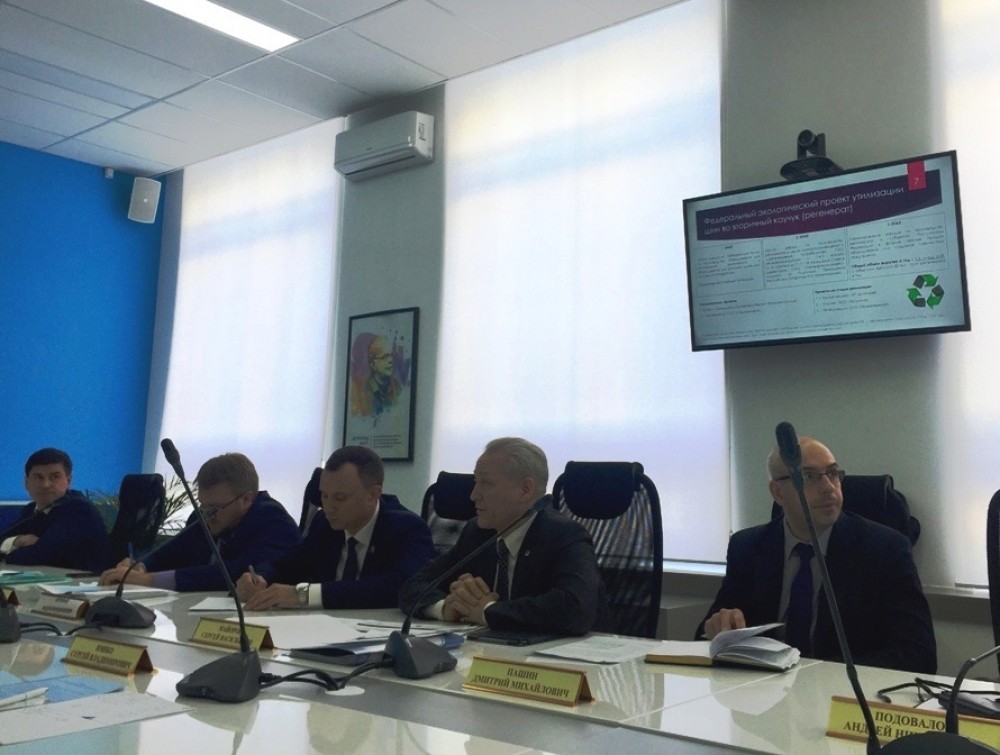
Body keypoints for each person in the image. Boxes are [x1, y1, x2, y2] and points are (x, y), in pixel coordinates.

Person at [697, 436, 937, 674]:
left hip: (841, 690)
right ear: (778, 493)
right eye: (809, 477)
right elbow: (705, 637)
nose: (828, 487)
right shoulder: (748, 547)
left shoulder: (885, 549)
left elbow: (919, 654)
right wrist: (718, 625)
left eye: (833, 473)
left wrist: (817, 675)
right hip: (762, 690)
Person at [398, 437, 602, 636]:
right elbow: (413, 586)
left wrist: (488, 611)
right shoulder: (477, 533)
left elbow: (575, 609)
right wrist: (446, 607)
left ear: (525, 489)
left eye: (486, 483)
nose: (473, 495)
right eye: (476, 482)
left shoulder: (564, 535)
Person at [235, 446, 435, 609]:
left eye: (340, 498)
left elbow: (398, 587)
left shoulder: (407, 529)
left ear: (373, 495)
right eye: (324, 496)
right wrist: (259, 578)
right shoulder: (324, 523)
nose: (329, 507)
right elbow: (287, 564)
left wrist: (304, 595)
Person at [99, 452, 300, 591]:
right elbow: (173, 551)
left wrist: (146, 580)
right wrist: (140, 566)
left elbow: (230, 573)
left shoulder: (275, 523)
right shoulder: (203, 516)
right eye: (203, 506)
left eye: (214, 508)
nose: (207, 515)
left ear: (246, 499)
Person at [1, 448, 111, 573]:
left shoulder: (79, 510)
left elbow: (40, 555)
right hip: (48, 579)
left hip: (87, 582)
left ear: (68, 481)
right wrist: (17, 541)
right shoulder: (30, 510)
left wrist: (8, 552)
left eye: (54, 477)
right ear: (26, 483)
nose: (45, 485)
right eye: (38, 477)